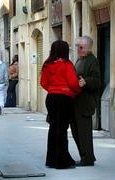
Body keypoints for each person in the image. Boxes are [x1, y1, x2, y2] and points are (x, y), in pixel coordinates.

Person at [40, 40, 81, 169]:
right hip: (64, 98)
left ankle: (51, 160)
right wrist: (75, 91)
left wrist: (53, 90)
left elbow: (43, 82)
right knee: (62, 130)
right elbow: (73, 83)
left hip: (51, 98)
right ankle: (61, 161)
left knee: (53, 128)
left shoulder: (47, 64)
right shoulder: (67, 64)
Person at [71, 36, 101, 166]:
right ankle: (85, 157)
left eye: (81, 47)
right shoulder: (80, 59)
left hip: (85, 103)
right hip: (76, 101)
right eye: (77, 46)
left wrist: (86, 82)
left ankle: (88, 158)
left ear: (89, 48)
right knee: (76, 131)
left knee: (84, 133)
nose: (78, 49)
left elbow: (98, 81)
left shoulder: (92, 60)